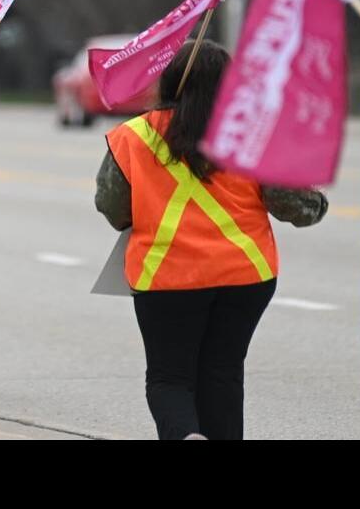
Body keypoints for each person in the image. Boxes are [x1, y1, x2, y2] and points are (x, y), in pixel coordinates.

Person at [94, 40, 329, 441]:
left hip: (167, 278)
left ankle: (185, 436)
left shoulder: (132, 136)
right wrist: (317, 199)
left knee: (170, 378)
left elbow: (112, 208)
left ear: (169, 81)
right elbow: (295, 207)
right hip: (245, 275)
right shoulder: (252, 132)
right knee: (223, 373)